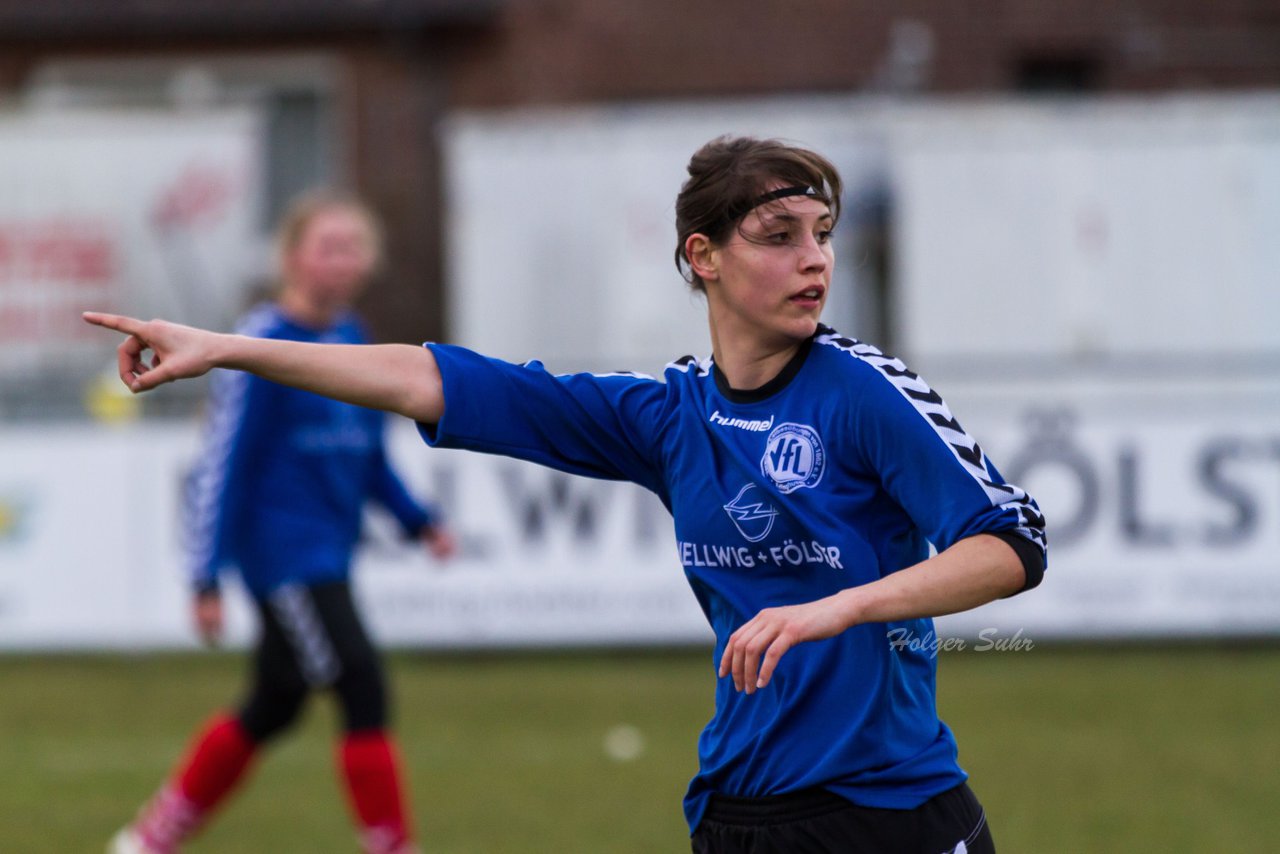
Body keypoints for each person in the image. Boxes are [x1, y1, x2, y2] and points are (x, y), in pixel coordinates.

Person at [87, 136, 1045, 854]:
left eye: (823, 236)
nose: (815, 260)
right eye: (779, 236)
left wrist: (842, 607)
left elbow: (1011, 542)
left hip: (894, 815)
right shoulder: (670, 417)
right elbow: (430, 378)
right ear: (703, 256)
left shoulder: (862, 392)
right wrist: (222, 347)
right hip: (740, 813)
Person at [106, 192, 457, 854]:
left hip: (330, 553)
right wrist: (204, 575)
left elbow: (369, 454)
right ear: (292, 257)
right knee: (360, 681)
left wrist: (418, 522)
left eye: (354, 247)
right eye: (329, 246)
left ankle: (149, 839)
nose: (344, 261)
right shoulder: (259, 343)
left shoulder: (352, 338)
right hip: (283, 559)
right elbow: (222, 463)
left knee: (275, 701)